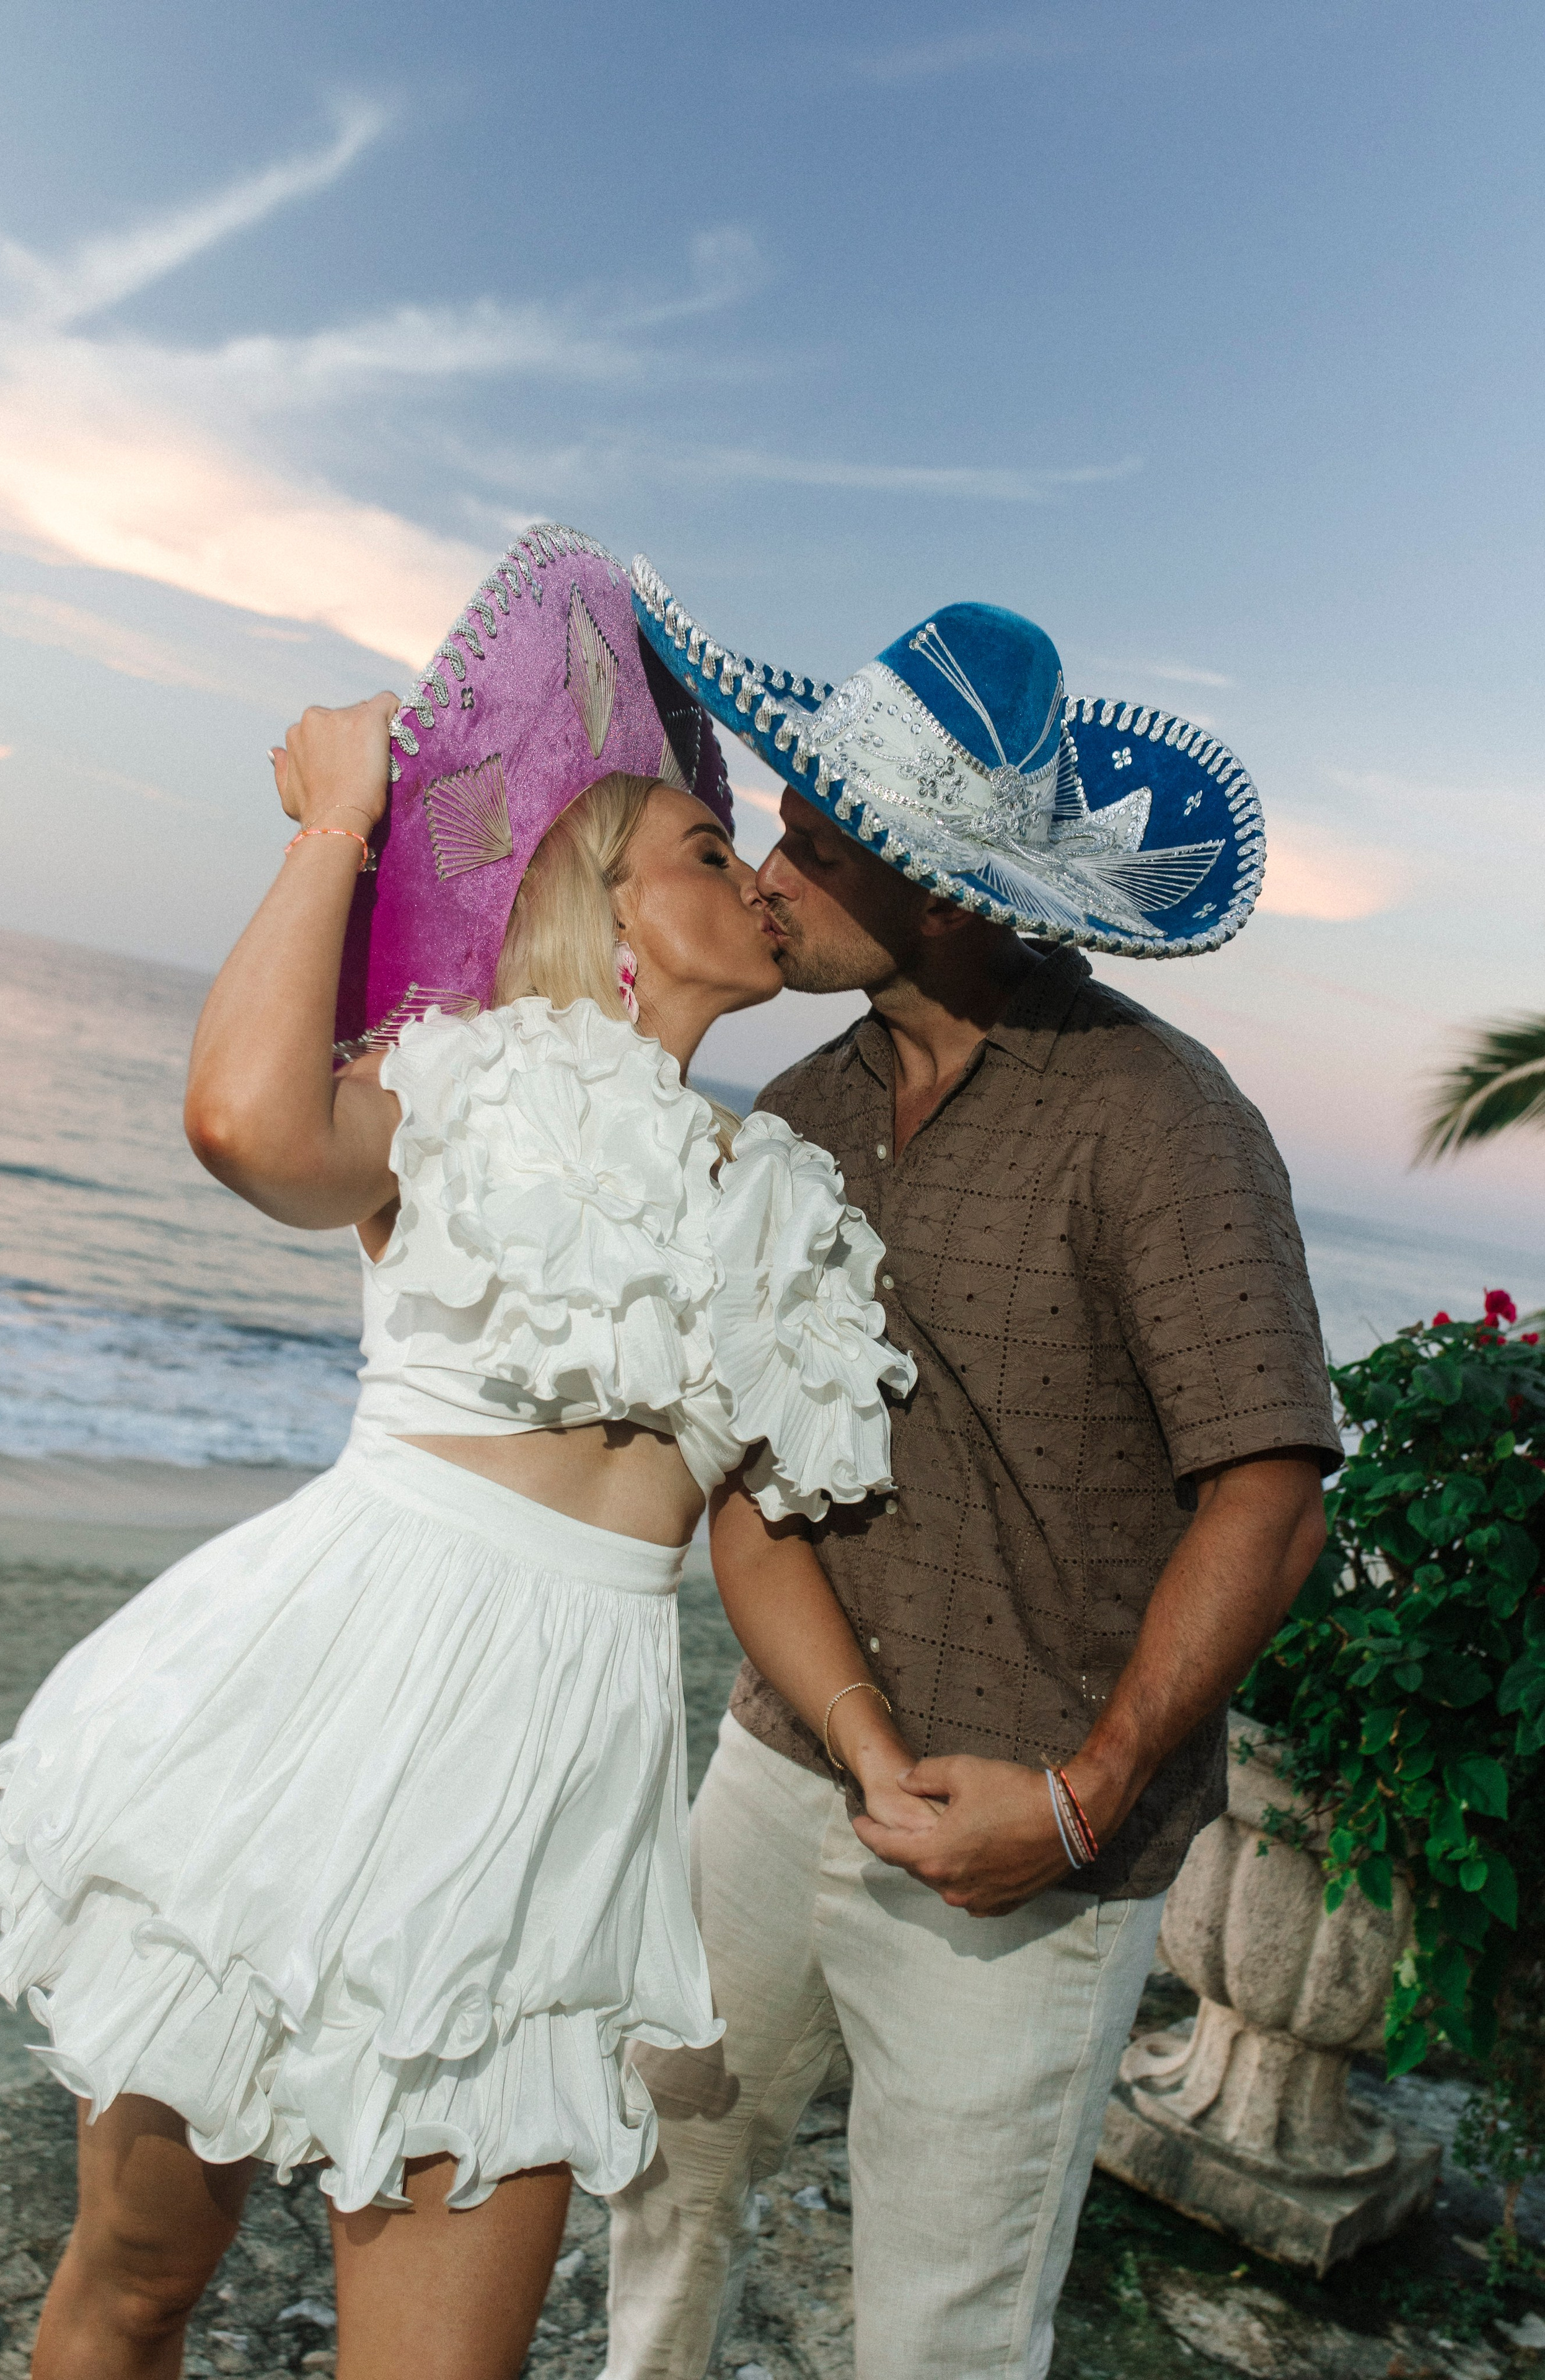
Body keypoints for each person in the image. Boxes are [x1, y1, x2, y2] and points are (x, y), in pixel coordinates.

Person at [0, 527, 930, 2380]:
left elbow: (761, 1536)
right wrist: (334, 819)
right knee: (137, 2286)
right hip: (309, 1719)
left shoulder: (788, 1200)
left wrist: (876, 1754)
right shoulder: (472, 1082)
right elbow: (244, 1121)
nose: (755, 876)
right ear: (609, 901)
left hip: (555, 1794)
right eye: (708, 849)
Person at [605, 565, 1344, 2380]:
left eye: (817, 845)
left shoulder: (1164, 1122)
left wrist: (1085, 1800)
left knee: (939, 2333)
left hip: (1037, 1858)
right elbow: (753, 1487)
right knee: (664, 2171)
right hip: (780, 1779)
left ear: (942, 893)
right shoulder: (799, 1116)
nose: (769, 874)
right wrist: (850, 1732)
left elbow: (1274, 1494)